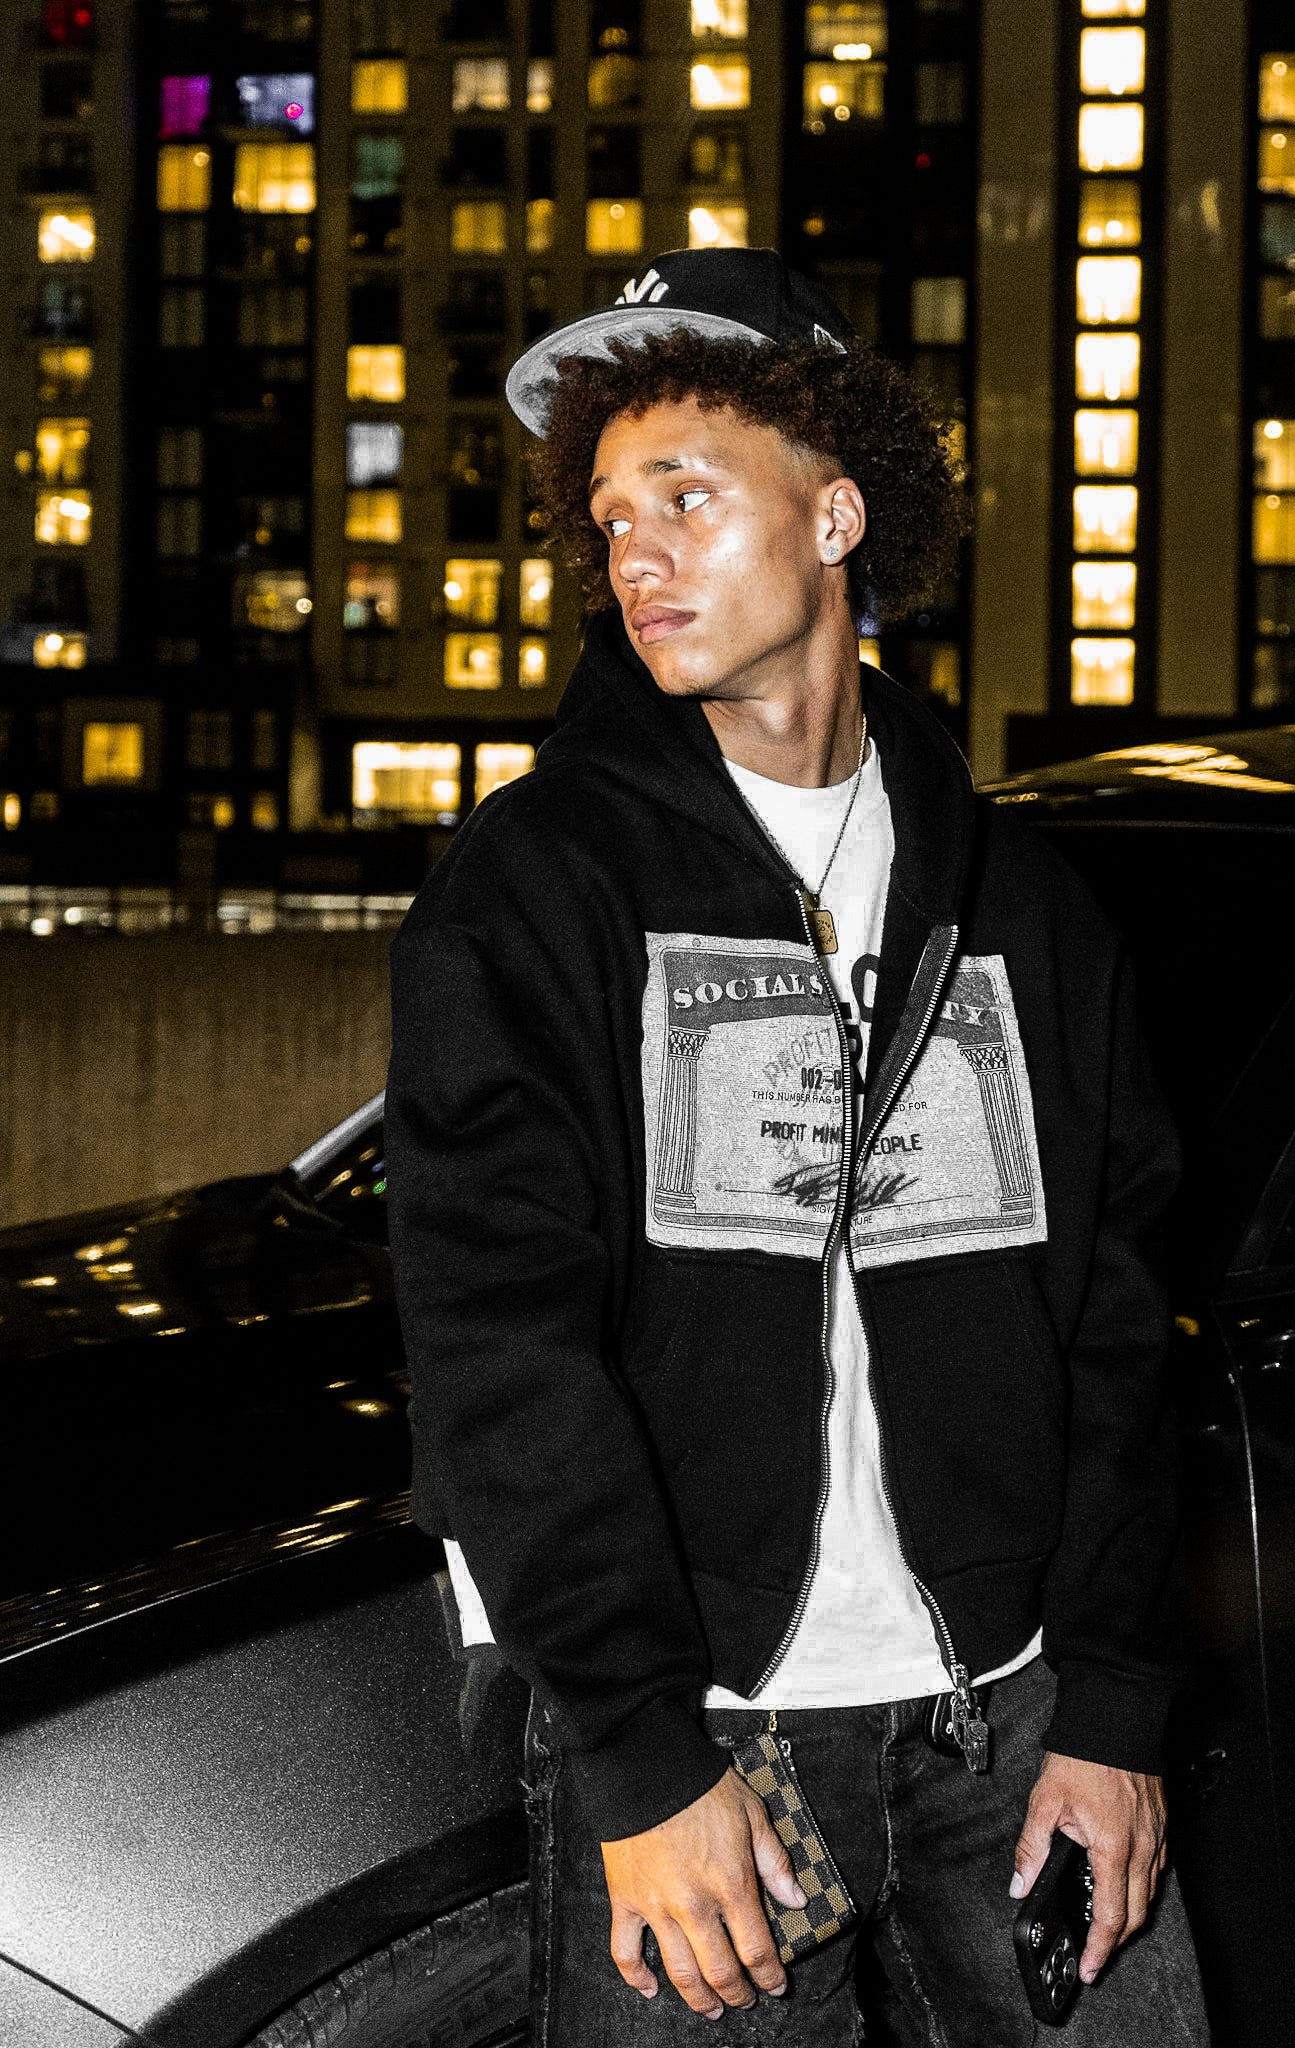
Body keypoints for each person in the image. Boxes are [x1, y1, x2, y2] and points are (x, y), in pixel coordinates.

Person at [386, 247, 1208, 2045]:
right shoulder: (541, 882)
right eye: (611, 517)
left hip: (1014, 1714)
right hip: (711, 1743)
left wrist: (1113, 1706)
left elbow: (1116, 1318)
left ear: (836, 514)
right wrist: (635, 1751)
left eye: (686, 495)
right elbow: (495, 1336)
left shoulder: (1022, 902)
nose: (636, 555)